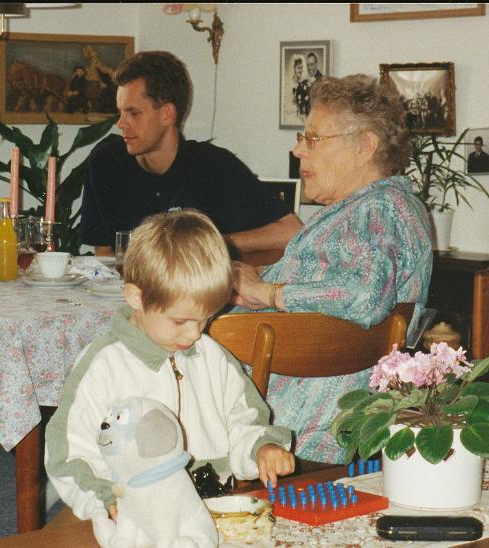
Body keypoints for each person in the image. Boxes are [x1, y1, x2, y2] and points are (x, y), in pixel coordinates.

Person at [46, 209, 294, 527]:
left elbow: (244, 420)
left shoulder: (211, 356)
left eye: (205, 320)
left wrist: (262, 448)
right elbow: (69, 452)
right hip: (134, 511)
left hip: (212, 503)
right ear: (136, 297)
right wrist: (102, 498)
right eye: (180, 321)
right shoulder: (104, 365)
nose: (194, 334)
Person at [232, 74, 433, 464]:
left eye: (312, 138)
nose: (297, 150)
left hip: (297, 427)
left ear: (364, 147)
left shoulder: (382, 209)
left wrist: (268, 293)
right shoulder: (366, 210)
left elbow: (363, 296)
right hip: (293, 415)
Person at [79, 50, 302, 257]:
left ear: (167, 114)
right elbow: (104, 252)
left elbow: (292, 231)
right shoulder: (105, 162)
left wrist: (212, 243)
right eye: (120, 112)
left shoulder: (213, 166)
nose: (121, 124)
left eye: (133, 113)